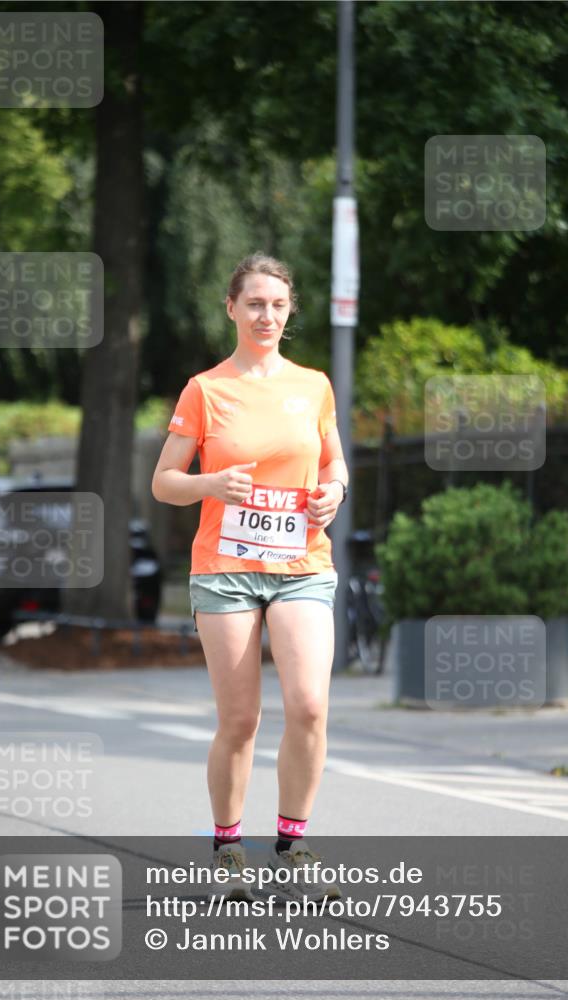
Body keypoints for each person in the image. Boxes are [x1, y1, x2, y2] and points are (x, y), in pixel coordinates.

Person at [152, 252, 348, 902]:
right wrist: (211, 482)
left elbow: (334, 466)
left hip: (300, 566)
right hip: (227, 570)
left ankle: (292, 845)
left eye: (278, 305)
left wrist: (333, 494)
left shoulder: (313, 385)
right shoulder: (205, 389)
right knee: (239, 721)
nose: (267, 315)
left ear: (290, 312)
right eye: (255, 303)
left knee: (310, 706)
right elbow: (164, 482)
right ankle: (227, 847)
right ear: (232, 309)